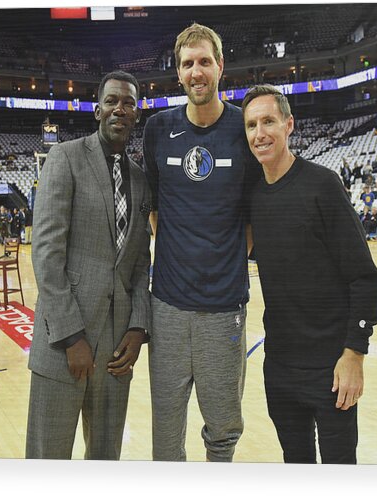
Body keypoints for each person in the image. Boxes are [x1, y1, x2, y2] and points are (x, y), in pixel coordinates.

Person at [242, 85, 377, 464]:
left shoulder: (322, 185)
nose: (260, 133)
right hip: (280, 365)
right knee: (296, 464)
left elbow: (365, 277)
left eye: (268, 121)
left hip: (330, 366)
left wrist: (355, 354)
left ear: (289, 125)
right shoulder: (253, 197)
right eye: (252, 125)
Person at [142, 23, 260, 462]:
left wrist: (225, 259)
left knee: (222, 433)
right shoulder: (157, 128)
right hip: (167, 307)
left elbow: (255, 215)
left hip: (224, 309)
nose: (197, 71)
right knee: (166, 434)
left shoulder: (243, 128)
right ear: (178, 72)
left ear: (220, 66)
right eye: (188, 63)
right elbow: (153, 207)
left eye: (204, 61)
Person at [25, 70, 152, 460]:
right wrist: (70, 336)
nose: (120, 109)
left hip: (116, 351)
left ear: (136, 114)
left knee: (105, 459)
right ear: (97, 110)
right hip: (64, 343)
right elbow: (46, 253)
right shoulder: (64, 158)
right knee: (49, 460)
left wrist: (138, 326)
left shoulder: (141, 179)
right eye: (112, 101)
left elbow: (140, 262)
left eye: (128, 103)